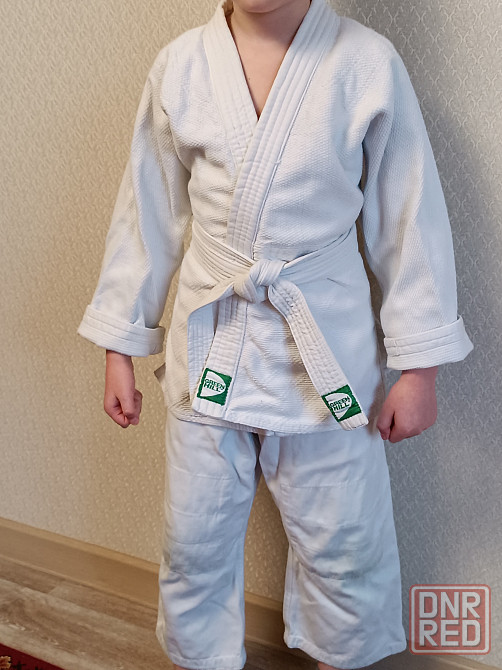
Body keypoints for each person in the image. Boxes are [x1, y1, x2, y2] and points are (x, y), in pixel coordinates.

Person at [78, 0, 473, 668]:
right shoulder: (181, 66)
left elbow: (409, 218)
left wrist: (420, 368)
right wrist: (122, 342)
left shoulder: (366, 64)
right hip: (211, 350)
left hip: (326, 359)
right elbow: (147, 211)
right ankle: (201, 659)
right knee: (193, 542)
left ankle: (338, 657)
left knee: (346, 543)